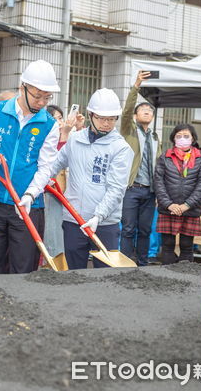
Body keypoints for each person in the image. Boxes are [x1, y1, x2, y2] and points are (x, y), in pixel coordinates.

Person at [0, 60, 60, 274]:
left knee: (23, 265)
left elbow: (46, 167)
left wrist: (30, 194)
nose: (41, 102)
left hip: (27, 206)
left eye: (46, 97)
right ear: (23, 88)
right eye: (37, 96)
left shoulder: (49, 124)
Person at [48, 88, 134, 270]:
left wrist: (98, 216)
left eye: (111, 119)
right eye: (102, 118)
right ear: (90, 115)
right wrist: (39, 183)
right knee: (74, 272)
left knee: (104, 276)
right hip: (73, 219)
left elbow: (117, 189)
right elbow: (55, 163)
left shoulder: (120, 148)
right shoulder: (75, 140)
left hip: (104, 224)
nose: (106, 124)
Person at [119, 70, 163, 266]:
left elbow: (159, 165)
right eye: (143, 109)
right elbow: (126, 110)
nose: (147, 111)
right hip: (131, 188)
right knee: (128, 229)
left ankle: (143, 264)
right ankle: (126, 263)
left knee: (145, 230)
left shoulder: (155, 137)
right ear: (136, 115)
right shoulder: (128, 131)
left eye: (150, 110)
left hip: (149, 191)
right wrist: (136, 85)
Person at [154, 123, 201, 264]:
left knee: (186, 246)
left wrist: (187, 205)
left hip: (190, 209)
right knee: (167, 245)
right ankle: (167, 276)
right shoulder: (164, 157)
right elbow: (158, 183)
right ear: (173, 139)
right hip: (169, 209)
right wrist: (169, 204)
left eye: (186, 136)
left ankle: (185, 278)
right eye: (179, 136)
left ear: (193, 139)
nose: (182, 139)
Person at [43, 104, 85, 263]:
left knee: (64, 232)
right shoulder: (46, 138)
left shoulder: (69, 137)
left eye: (61, 118)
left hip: (68, 193)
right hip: (51, 192)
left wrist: (80, 129)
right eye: (56, 119)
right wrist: (66, 132)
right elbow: (57, 161)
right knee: (53, 233)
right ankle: (53, 265)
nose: (60, 122)